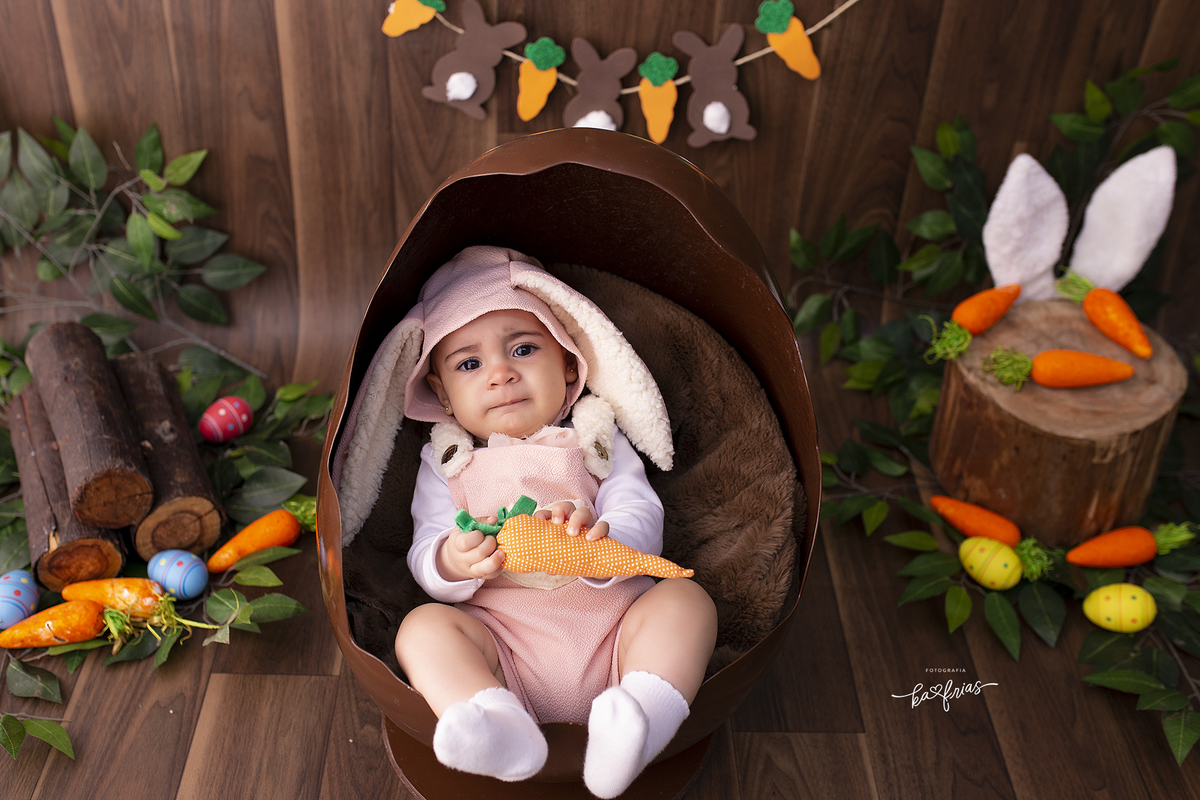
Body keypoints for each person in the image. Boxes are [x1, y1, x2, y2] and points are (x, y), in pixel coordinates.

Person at [379, 246, 718, 798]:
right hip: (504, 647)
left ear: (567, 365)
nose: (501, 374)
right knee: (422, 630)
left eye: (523, 348)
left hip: (617, 635)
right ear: (441, 394)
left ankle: (639, 717)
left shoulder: (593, 438)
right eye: (469, 364)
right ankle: (494, 721)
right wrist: (452, 558)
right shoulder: (449, 461)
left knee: (687, 602)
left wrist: (600, 533)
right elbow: (424, 552)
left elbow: (641, 511)